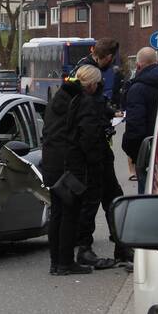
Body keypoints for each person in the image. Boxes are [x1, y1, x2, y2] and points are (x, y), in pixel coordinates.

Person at [74, 38, 131, 270]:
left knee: (110, 198)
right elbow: (88, 116)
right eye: (112, 59)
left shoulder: (84, 68)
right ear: (107, 57)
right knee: (98, 200)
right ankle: (89, 249)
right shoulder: (90, 75)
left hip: (98, 150)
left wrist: (107, 112)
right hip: (95, 152)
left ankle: (120, 246)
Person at [41, 64, 103, 276]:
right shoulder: (84, 102)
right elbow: (88, 137)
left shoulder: (57, 99)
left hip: (51, 163)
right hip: (71, 165)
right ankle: (66, 263)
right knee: (70, 214)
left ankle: (55, 262)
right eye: (96, 84)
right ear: (91, 84)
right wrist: (95, 162)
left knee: (57, 214)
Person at [122, 47, 158, 194]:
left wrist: (134, 154)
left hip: (147, 152)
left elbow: (135, 127)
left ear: (138, 66)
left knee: (146, 195)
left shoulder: (137, 89)